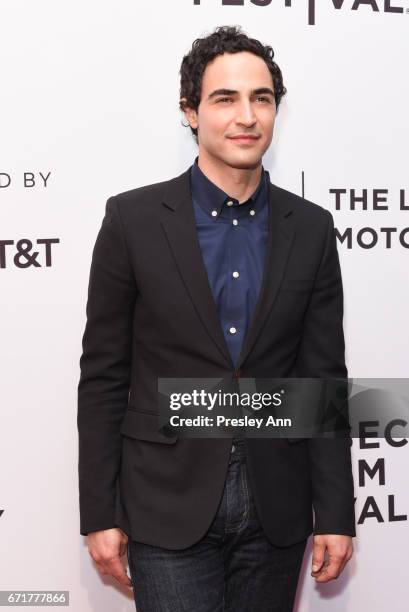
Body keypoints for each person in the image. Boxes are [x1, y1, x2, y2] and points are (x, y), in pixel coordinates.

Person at [77, 25, 355, 611]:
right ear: (190, 112)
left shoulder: (311, 229)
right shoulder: (133, 221)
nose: (246, 116)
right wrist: (99, 512)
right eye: (225, 99)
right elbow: (103, 375)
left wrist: (334, 512)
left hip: (275, 507)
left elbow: (321, 381)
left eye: (262, 98)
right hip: (165, 505)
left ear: (277, 110)